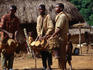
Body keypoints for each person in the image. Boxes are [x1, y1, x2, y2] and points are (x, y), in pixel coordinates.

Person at [50, 3, 70, 70]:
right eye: (55, 7)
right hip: (61, 37)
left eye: (57, 7)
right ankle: (62, 68)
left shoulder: (62, 16)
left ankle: (63, 68)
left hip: (61, 38)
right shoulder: (60, 16)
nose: (55, 9)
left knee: (61, 56)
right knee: (61, 56)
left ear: (61, 8)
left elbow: (59, 28)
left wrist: (52, 36)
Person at [0, 5, 20, 70]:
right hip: (4, 37)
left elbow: (17, 29)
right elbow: (1, 28)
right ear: (9, 10)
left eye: (13, 11)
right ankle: (4, 67)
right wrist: (8, 33)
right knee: (4, 51)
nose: (11, 12)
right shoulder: (4, 17)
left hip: (12, 38)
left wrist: (15, 36)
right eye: (10, 10)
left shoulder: (16, 19)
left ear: (15, 11)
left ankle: (10, 67)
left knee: (11, 51)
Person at [36, 4, 54, 70]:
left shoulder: (48, 16)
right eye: (39, 9)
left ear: (44, 10)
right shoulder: (38, 18)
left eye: (41, 9)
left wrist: (46, 35)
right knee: (42, 52)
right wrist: (39, 35)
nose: (40, 11)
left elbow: (51, 27)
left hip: (47, 37)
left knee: (48, 52)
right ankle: (44, 66)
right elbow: (37, 27)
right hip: (41, 38)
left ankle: (49, 65)